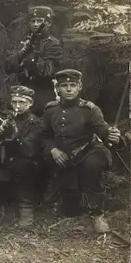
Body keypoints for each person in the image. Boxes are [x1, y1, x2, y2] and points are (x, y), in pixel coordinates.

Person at [41, 69, 125, 233]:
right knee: (71, 210)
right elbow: (44, 136)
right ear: (57, 89)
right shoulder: (50, 110)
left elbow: (104, 132)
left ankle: (97, 214)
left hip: (90, 151)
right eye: (64, 86)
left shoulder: (90, 110)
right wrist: (53, 149)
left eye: (73, 85)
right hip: (65, 157)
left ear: (80, 87)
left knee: (92, 164)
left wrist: (114, 137)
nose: (69, 89)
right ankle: (65, 194)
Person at [0, 85, 42, 227]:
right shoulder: (5, 118)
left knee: (23, 165)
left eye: (22, 103)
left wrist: (15, 136)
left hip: (26, 166)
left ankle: (26, 208)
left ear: (30, 103)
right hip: (4, 162)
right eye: (14, 102)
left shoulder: (35, 122)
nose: (17, 106)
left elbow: (29, 150)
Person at [5, 6, 63, 116]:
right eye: (33, 21)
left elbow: (47, 72)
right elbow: (8, 67)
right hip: (21, 95)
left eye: (39, 21)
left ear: (48, 23)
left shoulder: (53, 44)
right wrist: (23, 52)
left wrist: (35, 54)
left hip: (42, 96)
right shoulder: (24, 42)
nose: (35, 24)